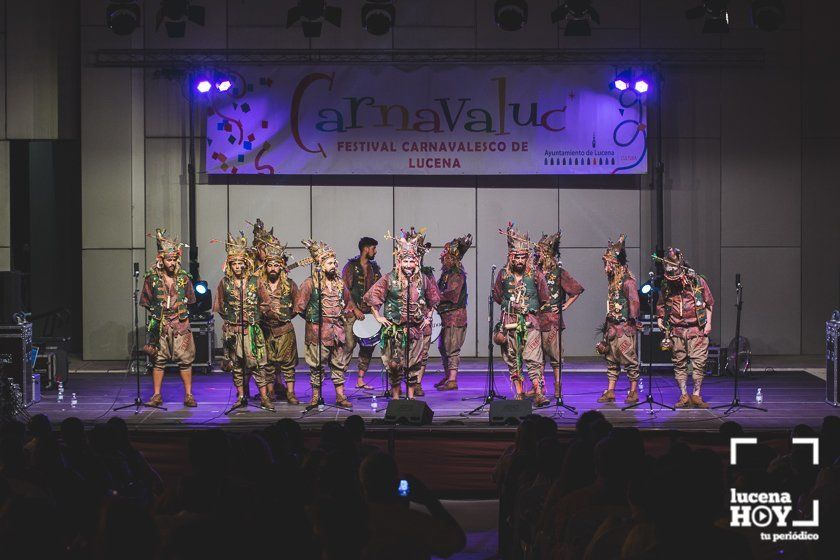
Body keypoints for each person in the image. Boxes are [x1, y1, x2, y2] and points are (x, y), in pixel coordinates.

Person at [363, 230, 441, 400]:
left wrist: (427, 318)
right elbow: (372, 297)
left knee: (414, 366)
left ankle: (411, 398)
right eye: (405, 261)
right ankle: (396, 399)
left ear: (417, 261)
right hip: (395, 331)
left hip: (415, 330)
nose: (408, 264)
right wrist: (378, 317)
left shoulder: (423, 279)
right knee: (394, 366)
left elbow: (433, 300)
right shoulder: (389, 279)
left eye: (411, 261)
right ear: (399, 261)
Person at [360, 452, 466, 560]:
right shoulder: (416, 524)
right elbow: (458, 542)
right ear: (395, 483)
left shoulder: (354, 520)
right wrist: (430, 500)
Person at [213, 232, 273, 411]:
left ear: (246, 263)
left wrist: (256, 315)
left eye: (240, 263)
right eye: (234, 264)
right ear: (230, 265)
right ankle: (240, 396)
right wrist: (229, 319)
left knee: (257, 365)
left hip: (252, 330)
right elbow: (220, 305)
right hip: (233, 331)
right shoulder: (225, 283)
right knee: (237, 365)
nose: (237, 267)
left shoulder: (255, 282)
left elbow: (266, 302)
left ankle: (263, 397)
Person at [493, 223, 551, 406]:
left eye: (523, 257)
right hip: (509, 322)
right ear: (510, 257)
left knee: (533, 358)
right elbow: (497, 296)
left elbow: (544, 297)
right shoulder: (502, 275)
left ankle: (538, 392)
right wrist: (510, 307)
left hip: (530, 322)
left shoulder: (536, 275)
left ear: (527, 258)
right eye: (516, 257)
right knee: (512, 358)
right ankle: (519, 393)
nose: (519, 260)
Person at [295, 239, 355, 409]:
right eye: (329, 262)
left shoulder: (339, 283)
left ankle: (340, 396)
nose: (334, 265)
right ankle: (315, 396)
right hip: (317, 332)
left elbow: (347, 301)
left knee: (339, 363)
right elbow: (300, 307)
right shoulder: (310, 283)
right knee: (316, 365)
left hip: (337, 331)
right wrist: (313, 320)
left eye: (334, 262)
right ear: (320, 264)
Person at [140, 228, 197, 407]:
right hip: (161, 324)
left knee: (185, 360)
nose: (172, 263)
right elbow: (147, 300)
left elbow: (191, 299)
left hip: (180, 324)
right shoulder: (152, 279)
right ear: (161, 259)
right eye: (168, 259)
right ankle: (157, 395)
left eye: (174, 259)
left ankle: (189, 395)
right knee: (158, 360)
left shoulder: (184, 278)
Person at [656, 247, 715, 408]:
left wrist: (708, 323)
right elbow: (661, 305)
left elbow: (709, 303)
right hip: (676, 330)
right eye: (668, 267)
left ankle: (696, 394)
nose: (671, 270)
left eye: (674, 267)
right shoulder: (666, 284)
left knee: (699, 363)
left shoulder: (697, 281)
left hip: (696, 329)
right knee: (679, 363)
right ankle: (683, 395)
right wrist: (660, 318)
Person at [534, 232, 583, 399]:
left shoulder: (558, 272)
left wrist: (565, 306)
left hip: (552, 319)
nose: (537, 255)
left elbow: (576, 290)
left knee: (555, 357)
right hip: (536, 319)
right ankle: (539, 388)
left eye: (540, 252)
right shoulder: (535, 271)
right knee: (537, 356)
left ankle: (557, 387)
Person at [595, 234, 641, 404]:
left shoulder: (627, 282)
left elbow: (634, 302)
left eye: (609, 263)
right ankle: (611, 390)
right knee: (611, 360)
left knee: (629, 361)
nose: (606, 266)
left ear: (616, 263)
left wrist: (631, 322)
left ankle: (634, 391)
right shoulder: (612, 281)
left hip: (624, 328)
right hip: (612, 328)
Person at [258, 240, 300, 404]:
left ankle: (290, 393)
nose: (273, 268)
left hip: (285, 329)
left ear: (281, 267)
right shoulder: (260, 285)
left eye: (276, 265)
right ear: (266, 267)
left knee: (288, 364)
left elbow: (298, 306)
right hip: (266, 330)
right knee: (267, 364)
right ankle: (270, 393)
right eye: (270, 266)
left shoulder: (289, 285)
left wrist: (285, 316)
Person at [341, 236, 382, 391]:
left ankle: (360, 379)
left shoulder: (374, 268)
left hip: (369, 314)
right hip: (352, 313)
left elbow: (379, 289)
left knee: (367, 347)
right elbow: (344, 290)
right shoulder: (351, 267)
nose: (375, 251)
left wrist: (375, 309)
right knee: (349, 345)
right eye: (373, 248)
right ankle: (340, 380)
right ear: (366, 248)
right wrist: (354, 309)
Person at [434, 233, 472, 391]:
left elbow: (452, 294)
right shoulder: (446, 274)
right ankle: (448, 375)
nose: (444, 260)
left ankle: (452, 380)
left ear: (453, 259)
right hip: (445, 315)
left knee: (452, 348)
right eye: (444, 257)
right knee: (443, 348)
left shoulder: (457, 274)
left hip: (454, 316)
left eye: (447, 257)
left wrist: (434, 298)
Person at [404, 227, 435, 397]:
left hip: (422, 323)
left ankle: (417, 383)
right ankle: (403, 385)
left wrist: (428, 316)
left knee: (422, 354)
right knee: (403, 355)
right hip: (404, 323)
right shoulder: (399, 275)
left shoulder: (426, 277)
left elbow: (434, 298)